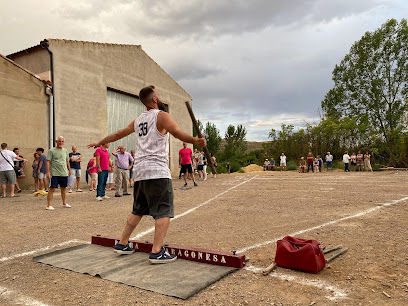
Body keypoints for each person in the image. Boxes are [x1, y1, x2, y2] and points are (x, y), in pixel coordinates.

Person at [87, 85, 206, 263]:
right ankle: (157, 252)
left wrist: (100, 142)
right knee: (163, 211)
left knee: (138, 209)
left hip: (141, 171)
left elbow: (119, 133)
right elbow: (177, 132)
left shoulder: (139, 120)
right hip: (157, 170)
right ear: (155, 99)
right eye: (158, 94)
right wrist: (194, 140)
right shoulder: (162, 116)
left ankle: (122, 243)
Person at [46, 136, 72, 210]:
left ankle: (64, 203)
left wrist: (69, 170)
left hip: (64, 173)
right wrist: (48, 172)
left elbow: (67, 161)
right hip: (55, 173)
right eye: (59, 141)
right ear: (56, 141)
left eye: (62, 141)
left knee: (64, 188)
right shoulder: (51, 151)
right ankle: (49, 205)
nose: (61, 143)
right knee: (52, 188)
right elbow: (48, 162)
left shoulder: (65, 151)